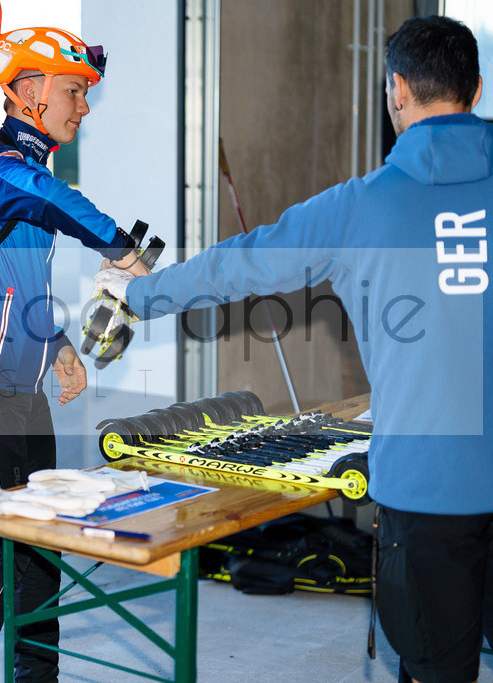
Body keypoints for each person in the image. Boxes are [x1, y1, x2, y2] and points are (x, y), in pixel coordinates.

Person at [93, 16, 491, 683]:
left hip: (427, 496)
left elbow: (242, 264)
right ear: (476, 89)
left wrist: (141, 295)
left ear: (396, 89)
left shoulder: (360, 206)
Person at [0, 27, 148, 681]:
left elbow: (20, 281)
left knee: (45, 547)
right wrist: (116, 243)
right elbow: (54, 201)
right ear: (29, 92)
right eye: (75, 92)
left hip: (18, 388)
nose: (83, 107)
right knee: (2, 553)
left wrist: (56, 349)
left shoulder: (26, 177)